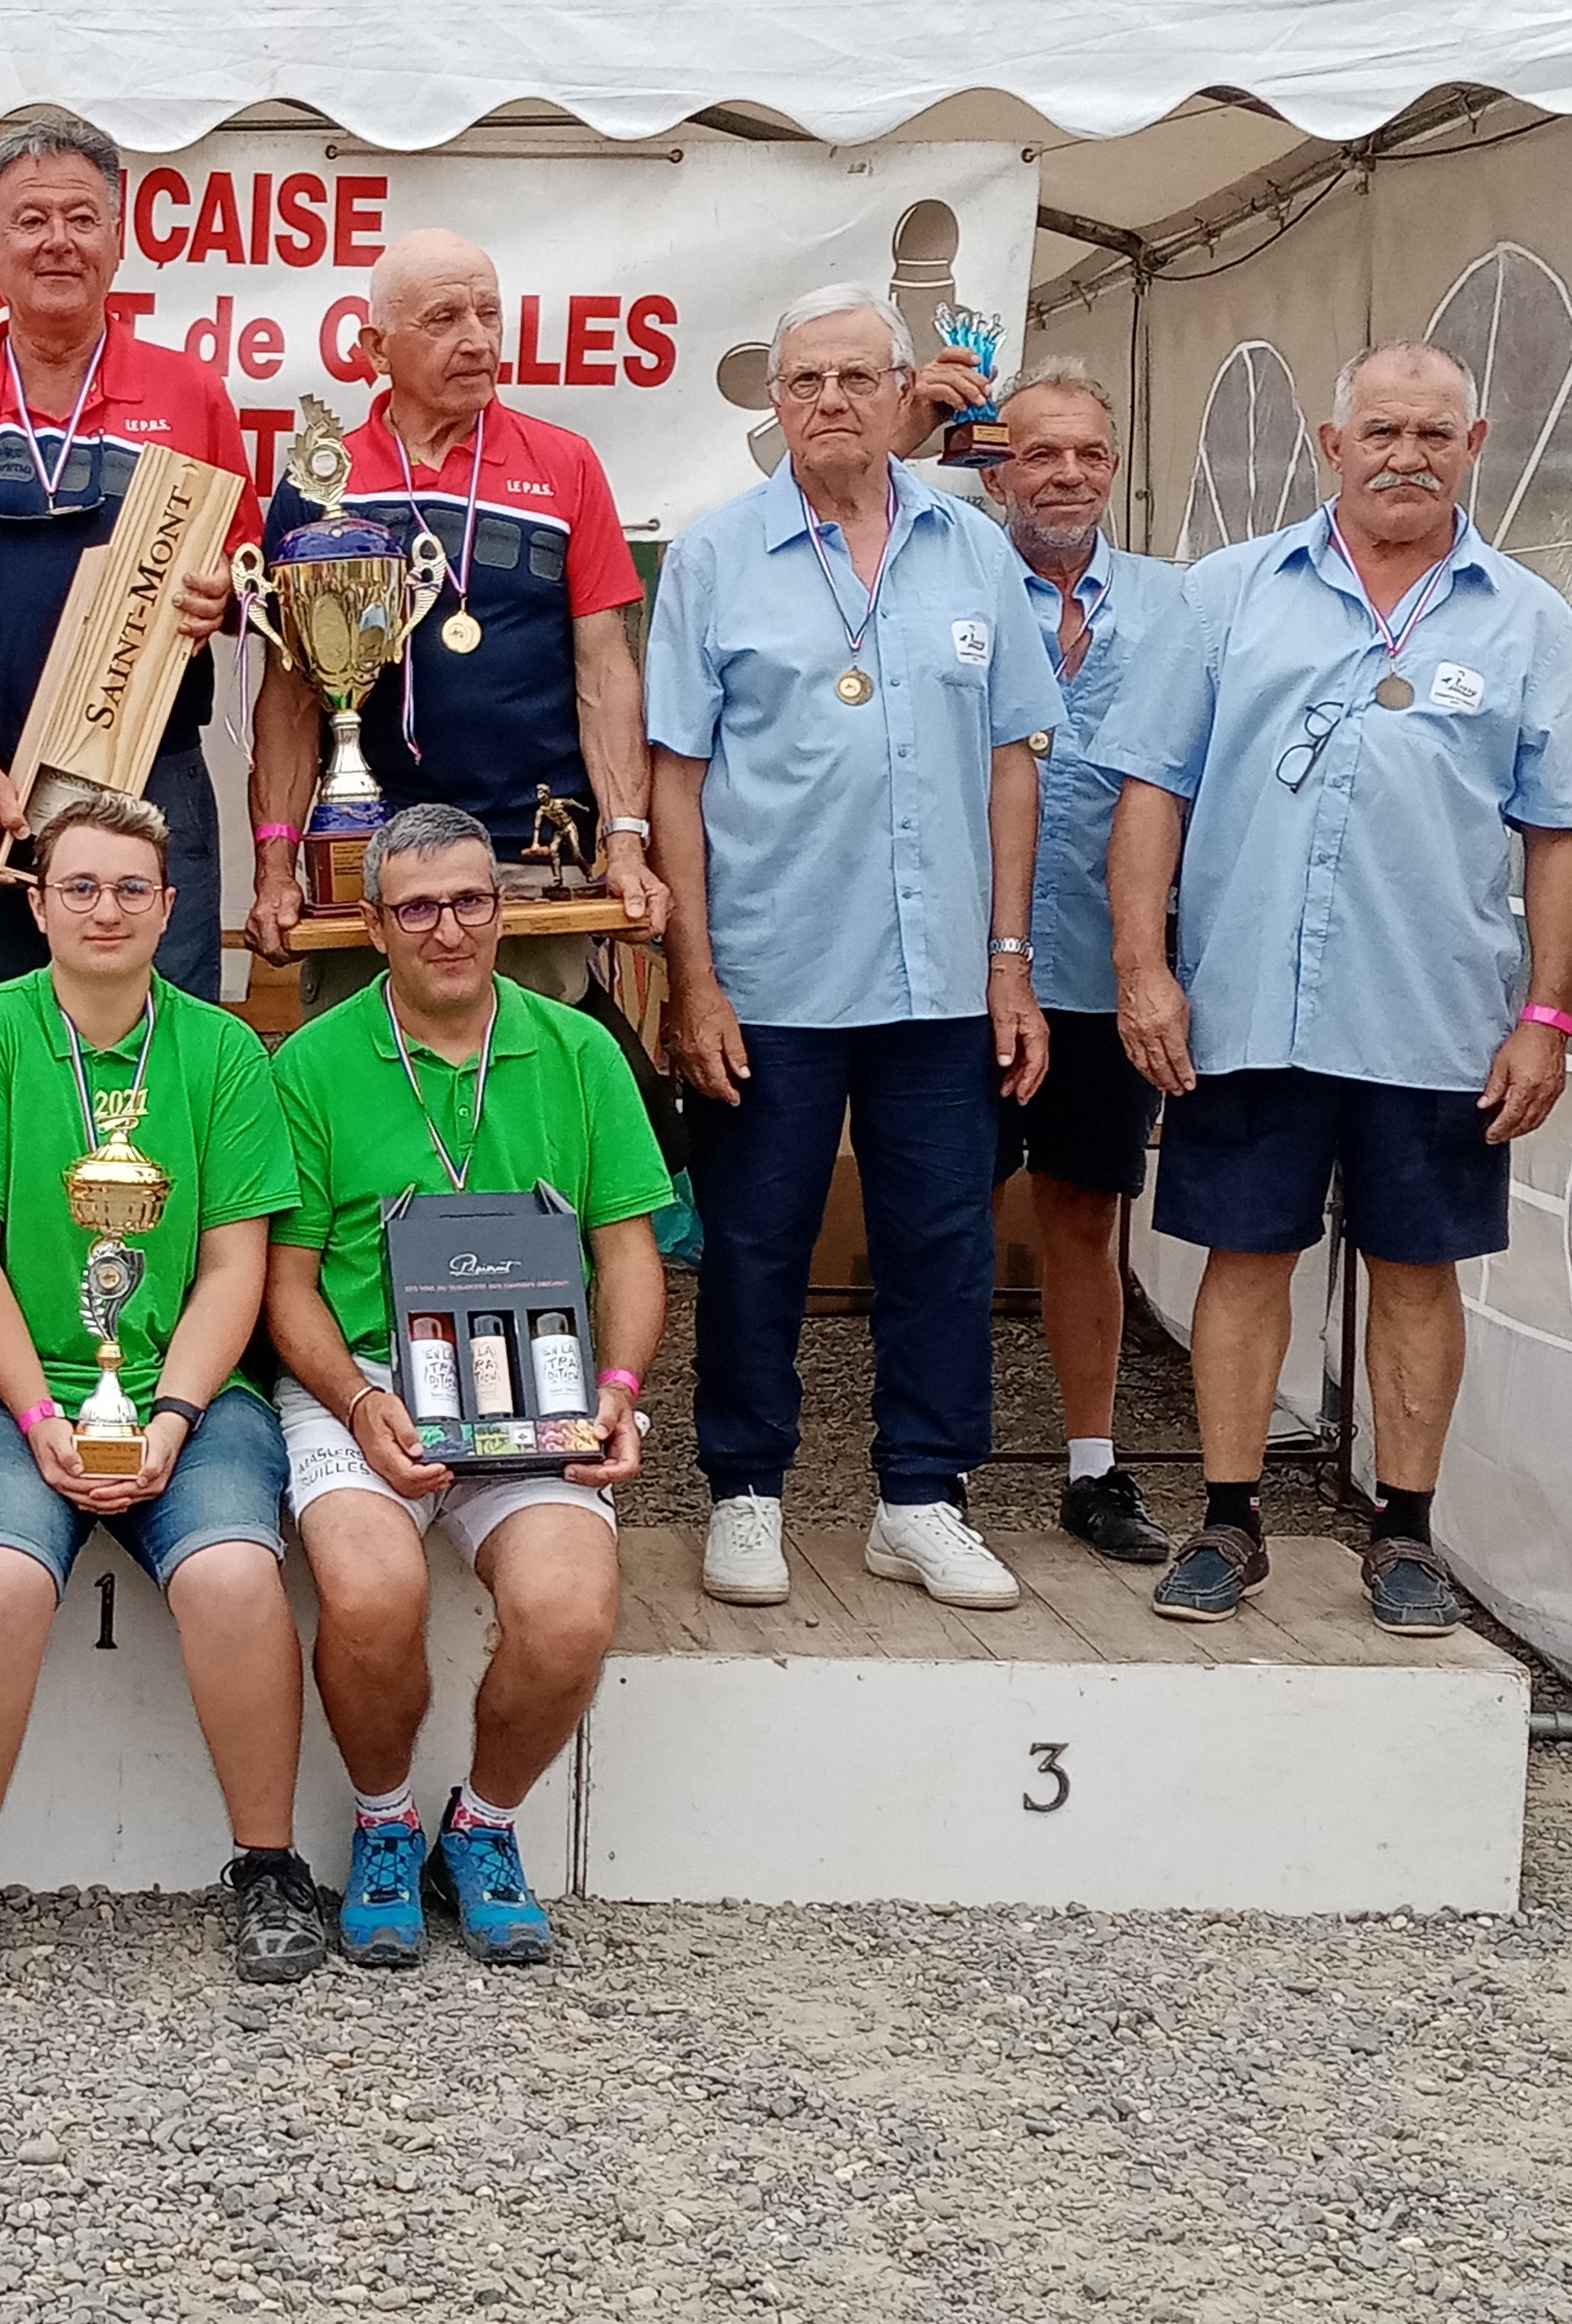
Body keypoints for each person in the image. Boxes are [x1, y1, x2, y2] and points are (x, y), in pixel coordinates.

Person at [1103, 340, 1571, 1636]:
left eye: (1433, 433)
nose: (1405, 455)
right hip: (1248, 1000)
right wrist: (1144, 971)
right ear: (1332, 443)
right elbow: (1152, 788)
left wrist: (1546, 1017)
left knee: (1420, 1270)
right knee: (1247, 1255)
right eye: (1381, 431)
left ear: (1473, 448)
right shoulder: (1228, 595)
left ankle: (1407, 1538)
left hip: (1437, 1015)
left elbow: (1557, 835)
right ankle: (1231, 1519)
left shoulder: (1533, 622)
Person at [645, 285, 1060, 1615]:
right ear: (775, 406)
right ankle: (747, 1492)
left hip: (941, 975)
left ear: (902, 395)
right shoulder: (715, 559)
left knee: (940, 1240)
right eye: (805, 381)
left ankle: (922, 1500)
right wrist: (692, 978)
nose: (831, 400)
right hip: (770, 971)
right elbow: (674, 784)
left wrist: (1009, 958)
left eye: (855, 378)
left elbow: (1012, 767)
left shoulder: (977, 552)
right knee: (758, 1242)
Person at [0, 790, 325, 1990]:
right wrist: (39, 1418)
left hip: (191, 1393)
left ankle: (271, 1863)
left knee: (239, 1573)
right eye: (78, 886)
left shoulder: (225, 1048)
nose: (106, 908)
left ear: (170, 906)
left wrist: (176, 1416)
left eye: (132, 888)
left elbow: (239, 1264)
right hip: (11, 1392)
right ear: (36, 904)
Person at [265, 804, 671, 1966]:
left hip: (536, 1377)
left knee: (570, 1613)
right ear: (374, 924)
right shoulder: (311, 1063)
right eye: (418, 908)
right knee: (374, 1590)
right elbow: (286, 1283)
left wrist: (620, 1386)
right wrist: (354, 1402)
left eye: (472, 901)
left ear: (504, 909)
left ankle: (481, 1826)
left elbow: (629, 1254)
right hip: (372, 1381)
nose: (450, 928)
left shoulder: (583, 1051)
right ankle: (385, 1821)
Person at [0, 109, 253, 1007]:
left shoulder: (191, 395)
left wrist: (225, 595)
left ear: (119, 240)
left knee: (162, 1033)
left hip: (151, 773)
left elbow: (249, 573)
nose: (58, 242)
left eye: (82, 218)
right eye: (32, 219)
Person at [245, 230, 663, 1010]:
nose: (475, 340)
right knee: (370, 1091)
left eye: (488, 315)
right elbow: (291, 692)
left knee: (527, 1100)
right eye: (443, 319)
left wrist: (625, 842)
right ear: (375, 346)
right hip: (370, 867)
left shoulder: (566, 463)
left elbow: (604, 674)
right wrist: (274, 868)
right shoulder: (320, 479)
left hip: (530, 861)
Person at [976, 360, 1188, 1565]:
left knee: (1084, 1216)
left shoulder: (1177, 606)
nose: (1066, 475)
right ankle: (929, 1468)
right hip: (966, 967)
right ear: (997, 468)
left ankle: (1094, 1469)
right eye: (1040, 453)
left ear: (1114, 468)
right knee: (945, 1217)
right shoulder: (944, 579)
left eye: (1089, 455)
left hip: (1110, 972)